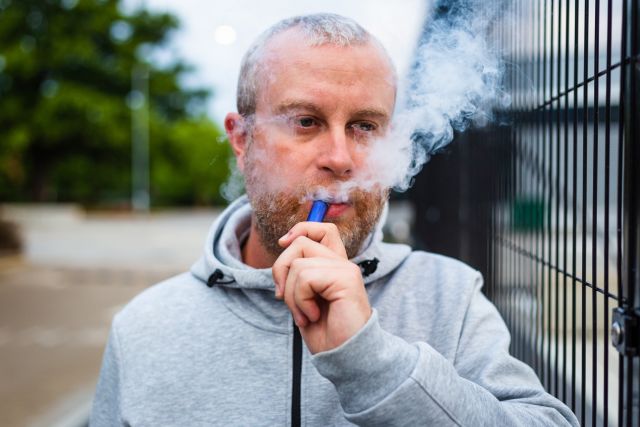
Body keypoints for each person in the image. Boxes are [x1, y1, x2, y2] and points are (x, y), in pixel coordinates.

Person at [90, 13, 579, 426]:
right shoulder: (145, 329)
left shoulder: (447, 297)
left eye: (365, 126)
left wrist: (371, 362)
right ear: (242, 140)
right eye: (306, 121)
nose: (341, 158)